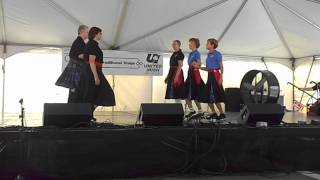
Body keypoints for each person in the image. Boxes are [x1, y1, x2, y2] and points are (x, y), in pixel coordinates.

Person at [79, 27, 115, 118]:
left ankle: (89, 114)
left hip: (93, 71)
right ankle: (88, 114)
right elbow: (91, 61)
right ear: (96, 34)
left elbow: (86, 58)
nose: (101, 35)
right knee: (105, 93)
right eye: (100, 33)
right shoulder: (93, 45)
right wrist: (96, 76)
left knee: (95, 94)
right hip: (93, 71)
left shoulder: (91, 44)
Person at [55, 25, 88, 103]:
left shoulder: (80, 42)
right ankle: (72, 111)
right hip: (76, 70)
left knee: (75, 92)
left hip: (78, 70)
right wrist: (88, 56)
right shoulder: (78, 42)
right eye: (87, 32)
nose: (88, 34)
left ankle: (73, 111)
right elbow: (74, 55)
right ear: (82, 32)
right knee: (75, 92)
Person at [200, 38, 226, 120]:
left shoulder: (217, 54)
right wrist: (199, 67)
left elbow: (221, 66)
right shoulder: (208, 55)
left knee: (215, 96)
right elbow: (208, 68)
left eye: (207, 43)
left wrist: (221, 77)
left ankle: (222, 113)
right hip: (210, 76)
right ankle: (214, 113)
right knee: (208, 97)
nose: (206, 45)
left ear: (212, 45)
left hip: (215, 76)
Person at [184, 38, 205, 117]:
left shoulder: (197, 53)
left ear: (195, 44)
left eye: (191, 43)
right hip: (190, 74)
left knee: (194, 94)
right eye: (189, 43)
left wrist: (196, 64)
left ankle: (200, 111)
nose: (189, 44)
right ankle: (192, 110)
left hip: (194, 74)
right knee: (186, 94)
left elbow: (199, 64)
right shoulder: (190, 54)